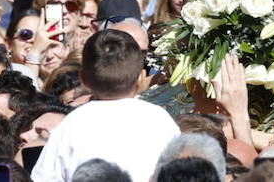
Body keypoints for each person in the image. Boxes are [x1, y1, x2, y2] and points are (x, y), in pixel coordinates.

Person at [31, 30, 180, 182]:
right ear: (141, 78)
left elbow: (44, 177)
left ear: (83, 79)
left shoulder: (71, 124)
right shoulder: (160, 119)